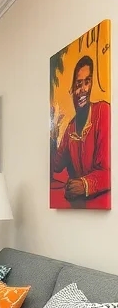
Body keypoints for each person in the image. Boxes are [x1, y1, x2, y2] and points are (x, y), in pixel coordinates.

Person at [51, 54, 110, 205]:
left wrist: (85, 184)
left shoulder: (103, 112)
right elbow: (57, 166)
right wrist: (53, 137)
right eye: (78, 84)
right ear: (72, 90)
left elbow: (109, 170)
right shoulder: (70, 128)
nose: (82, 89)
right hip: (78, 207)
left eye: (87, 82)